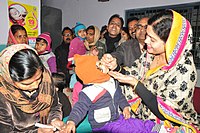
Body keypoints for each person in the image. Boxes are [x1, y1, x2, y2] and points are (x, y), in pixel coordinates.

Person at [103, 10, 200, 132]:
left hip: (169, 125)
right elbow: (132, 73)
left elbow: (163, 112)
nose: (146, 41)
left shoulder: (184, 70)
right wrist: (116, 67)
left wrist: (136, 84)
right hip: (142, 117)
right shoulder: (150, 55)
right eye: (147, 36)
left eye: (152, 39)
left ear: (170, 43)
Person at [64, 54, 156, 133]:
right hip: (103, 125)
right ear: (94, 71)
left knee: (134, 122)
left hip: (116, 117)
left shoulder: (111, 81)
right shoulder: (89, 91)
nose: (104, 64)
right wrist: (72, 121)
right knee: (129, 130)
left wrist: (125, 107)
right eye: (100, 64)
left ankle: (154, 127)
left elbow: (119, 96)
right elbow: (80, 108)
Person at [0, 44, 64, 132]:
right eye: (27, 84)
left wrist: (54, 120)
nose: (36, 86)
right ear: (10, 80)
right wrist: (37, 132)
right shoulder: (3, 96)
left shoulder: (46, 79)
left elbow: (55, 106)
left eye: (38, 79)